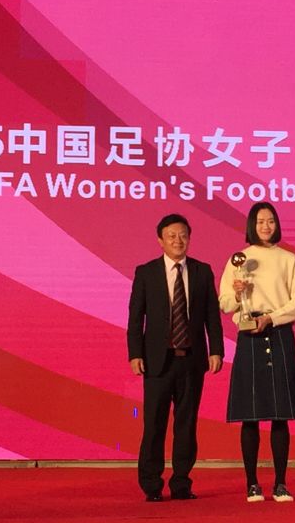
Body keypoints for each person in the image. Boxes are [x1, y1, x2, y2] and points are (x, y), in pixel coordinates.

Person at [127, 213, 224, 502]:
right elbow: (136, 318)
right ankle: (151, 484)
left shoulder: (202, 271)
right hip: (157, 361)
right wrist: (135, 354)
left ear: (189, 238)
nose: (177, 241)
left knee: (187, 424)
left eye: (183, 235)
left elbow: (212, 315)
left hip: (192, 360)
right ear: (160, 240)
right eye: (171, 236)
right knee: (154, 425)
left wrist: (216, 350)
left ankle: (181, 483)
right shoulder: (146, 272)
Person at [219, 202, 295, 503]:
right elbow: (225, 304)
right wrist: (237, 292)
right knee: (250, 415)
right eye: (260, 221)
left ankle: (281, 483)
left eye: (271, 221)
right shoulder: (239, 259)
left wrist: (271, 318)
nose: (266, 226)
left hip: (279, 333)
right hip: (248, 336)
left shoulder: (289, 260)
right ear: (251, 225)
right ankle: (252, 484)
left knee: (280, 414)